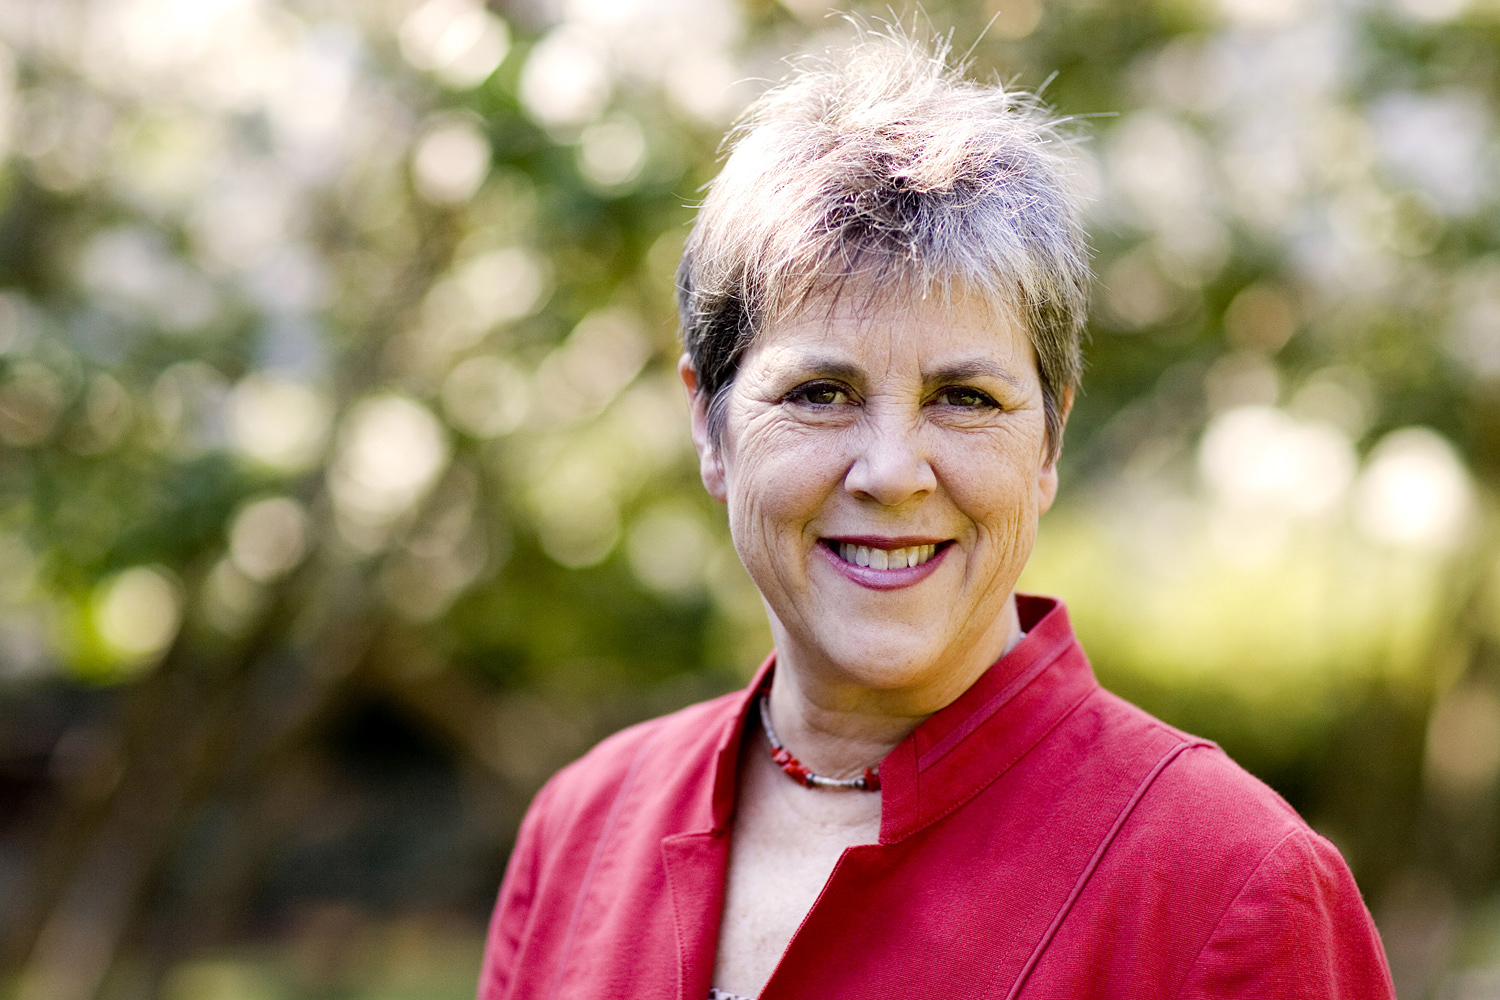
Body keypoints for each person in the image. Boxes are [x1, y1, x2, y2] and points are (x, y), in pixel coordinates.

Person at [477, 25, 1396, 1000]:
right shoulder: (579, 828)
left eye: (964, 397)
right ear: (709, 423)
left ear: (1047, 441)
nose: (891, 472)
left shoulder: (1232, 887)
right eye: (821, 392)